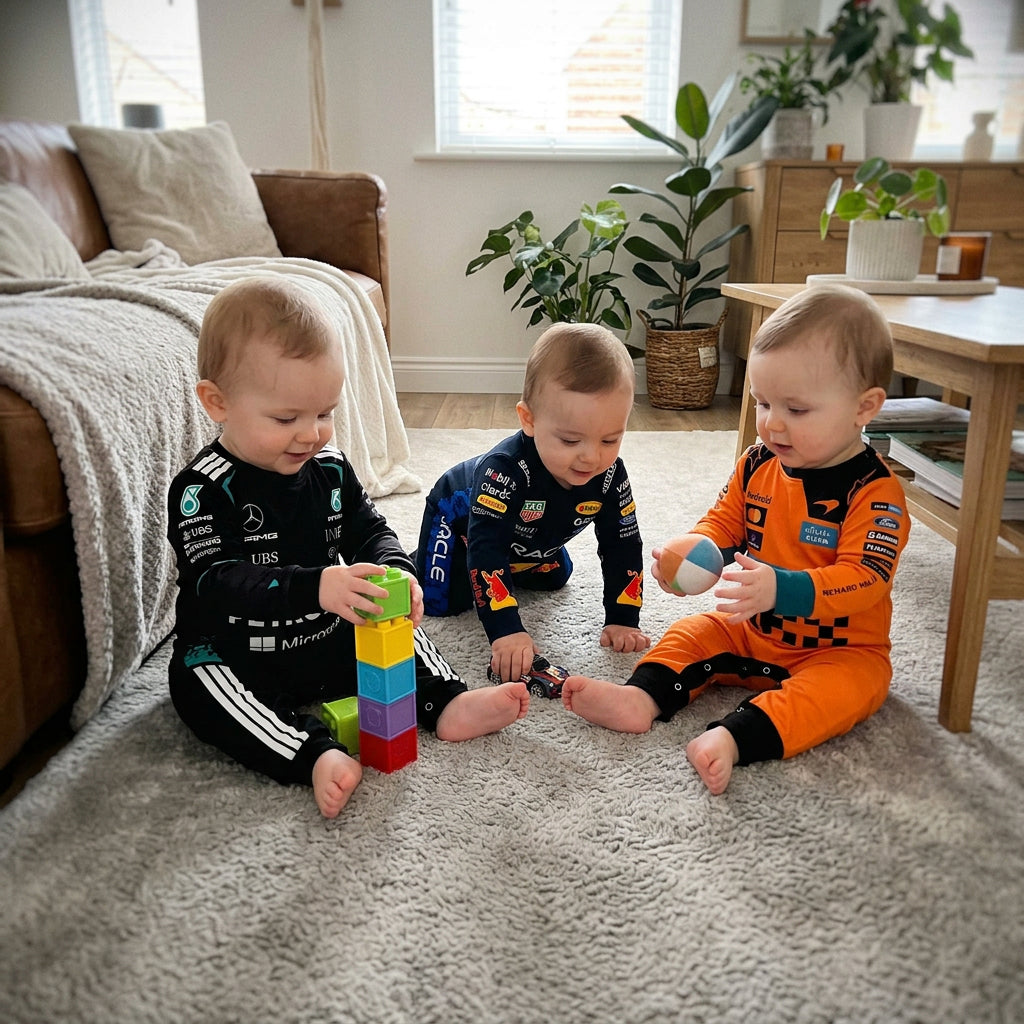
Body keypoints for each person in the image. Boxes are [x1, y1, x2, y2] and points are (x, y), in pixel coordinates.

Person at [167, 277, 528, 819]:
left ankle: (445, 699)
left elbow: (370, 529)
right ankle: (311, 753)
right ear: (217, 402)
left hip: (326, 635)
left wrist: (395, 570)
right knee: (201, 686)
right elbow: (215, 581)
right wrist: (316, 586)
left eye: (324, 413)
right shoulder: (203, 488)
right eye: (286, 418)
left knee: (389, 618)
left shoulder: (330, 469)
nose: (310, 434)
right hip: (238, 649)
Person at [562, 283, 909, 794]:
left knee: (849, 689)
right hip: (750, 630)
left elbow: (867, 579)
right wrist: (692, 554)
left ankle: (733, 737)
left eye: (797, 409)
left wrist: (781, 589)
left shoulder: (875, 492)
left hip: (838, 649)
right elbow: (725, 524)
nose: (772, 424)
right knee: (691, 633)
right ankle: (641, 698)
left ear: (865, 407)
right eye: (763, 403)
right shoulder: (757, 463)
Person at [414, 322, 650, 684]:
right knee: (441, 602)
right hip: (458, 519)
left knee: (557, 577)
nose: (591, 457)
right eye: (570, 440)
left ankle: (525, 556)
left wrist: (623, 618)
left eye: (610, 440)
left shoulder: (610, 475)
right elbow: (488, 549)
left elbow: (624, 544)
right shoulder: (503, 470)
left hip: (526, 537)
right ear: (529, 420)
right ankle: (417, 556)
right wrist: (506, 630)